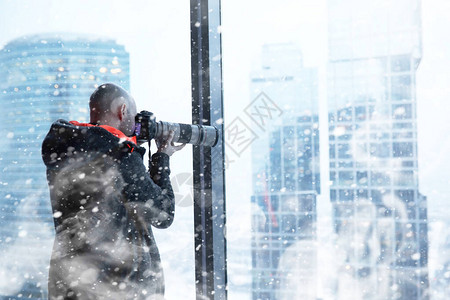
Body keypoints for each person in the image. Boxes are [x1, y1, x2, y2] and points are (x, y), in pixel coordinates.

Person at [41, 83, 185, 299]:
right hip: (118, 287)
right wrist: (162, 156)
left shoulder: (69, 147)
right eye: (133, 116)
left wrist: (134, 144)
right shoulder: (121, 155)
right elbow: (163, 214)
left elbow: (121, 191)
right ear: (123, 110)